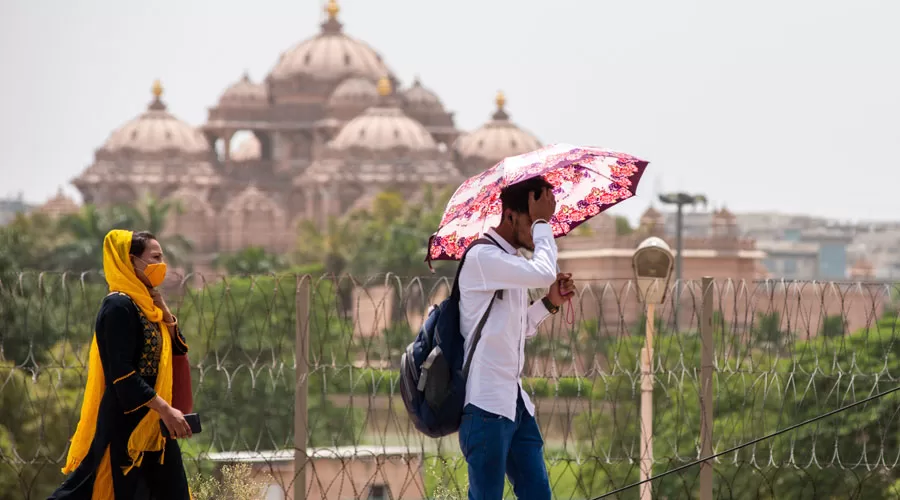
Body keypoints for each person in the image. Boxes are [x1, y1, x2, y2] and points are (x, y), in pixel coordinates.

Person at [50, 230, 193, 499]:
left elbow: (177, 350)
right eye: (155, 257)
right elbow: (122, 373)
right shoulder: (118, 306)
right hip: (125, 425)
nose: (161, 265)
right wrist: (164, 409)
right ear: (131, 261)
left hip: (156, 425)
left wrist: (166, 315)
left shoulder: (149, 305)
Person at [457, 176, 576, 499]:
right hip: (486, 407)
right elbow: (543, 272)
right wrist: (542, 222)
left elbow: (517, 328)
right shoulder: (483, 258)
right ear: (510, 215)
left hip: (514, 405)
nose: (538, 232)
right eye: (533, 219)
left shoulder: (508, 263)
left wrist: (550, 302)